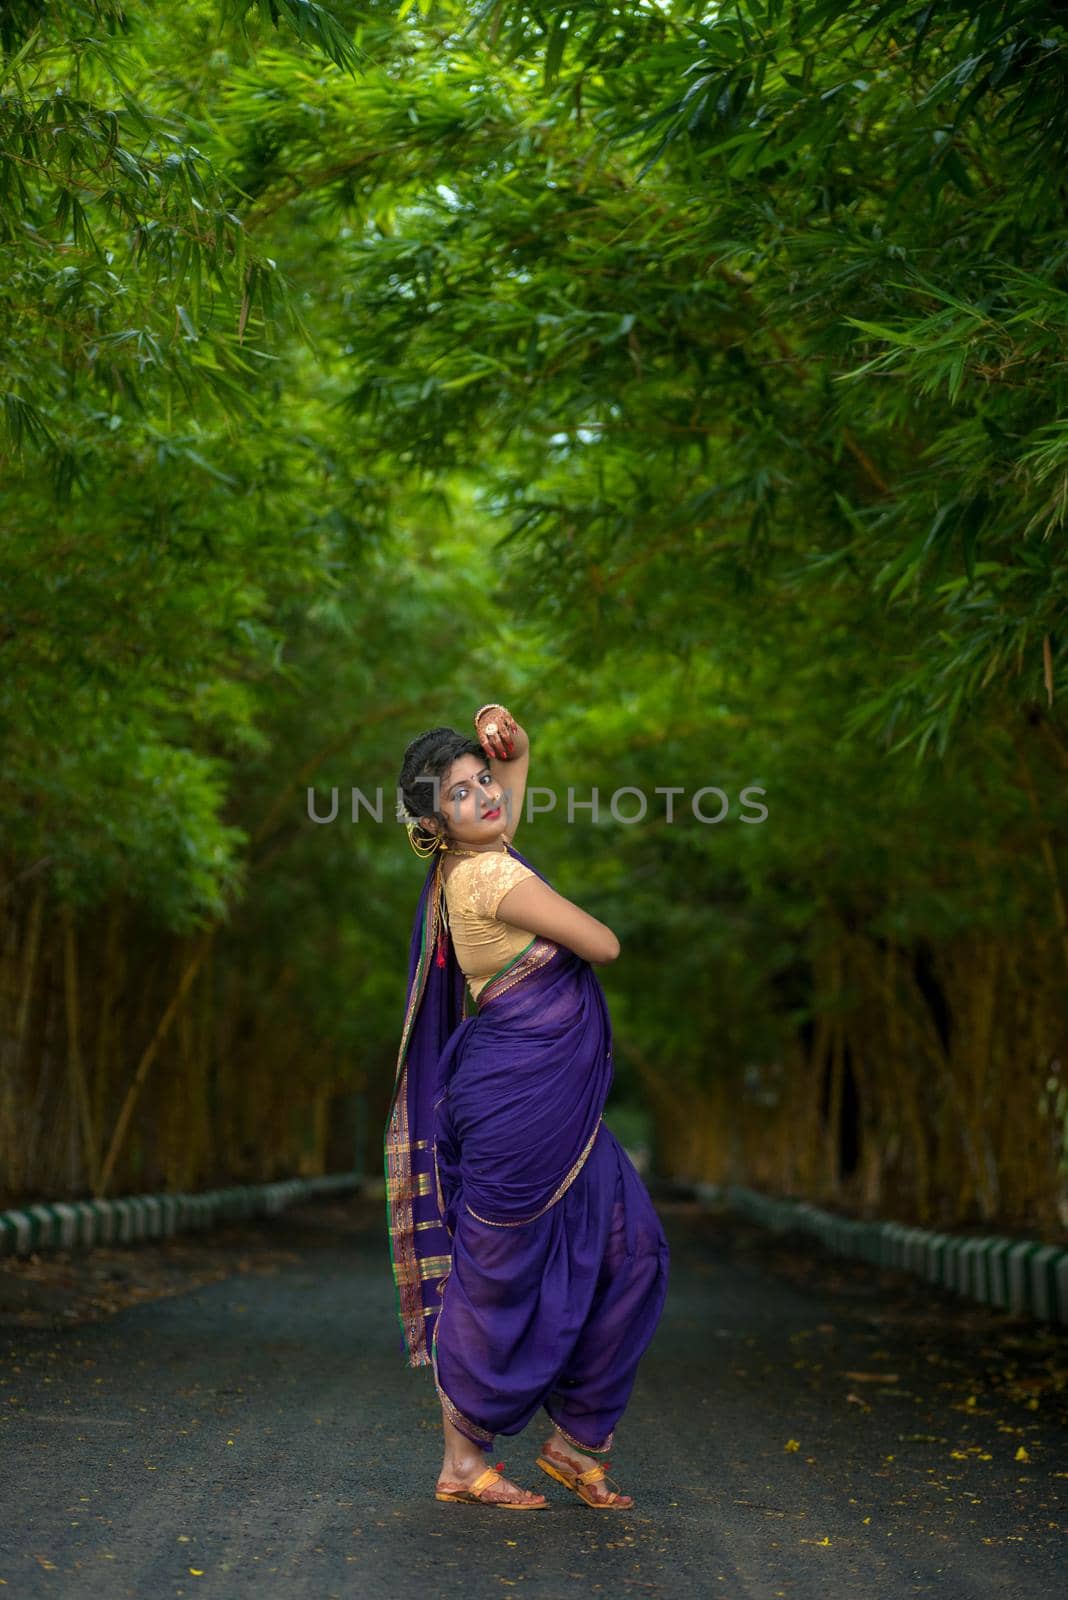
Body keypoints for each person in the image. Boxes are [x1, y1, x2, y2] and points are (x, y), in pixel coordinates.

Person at [385, 703, 670, 1510]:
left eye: (484, 780)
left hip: (546, 1107)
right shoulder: (490, 876)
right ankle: (461, 1461)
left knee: (633, 1249)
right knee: (497, 1273)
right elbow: (604, 943)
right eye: (462, 793)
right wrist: (510, 765)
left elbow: (504, 807)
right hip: (519, 1104)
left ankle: (577, 1444)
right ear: (435, 823)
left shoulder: (470, 864)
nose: (485, 796)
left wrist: (515, 749)